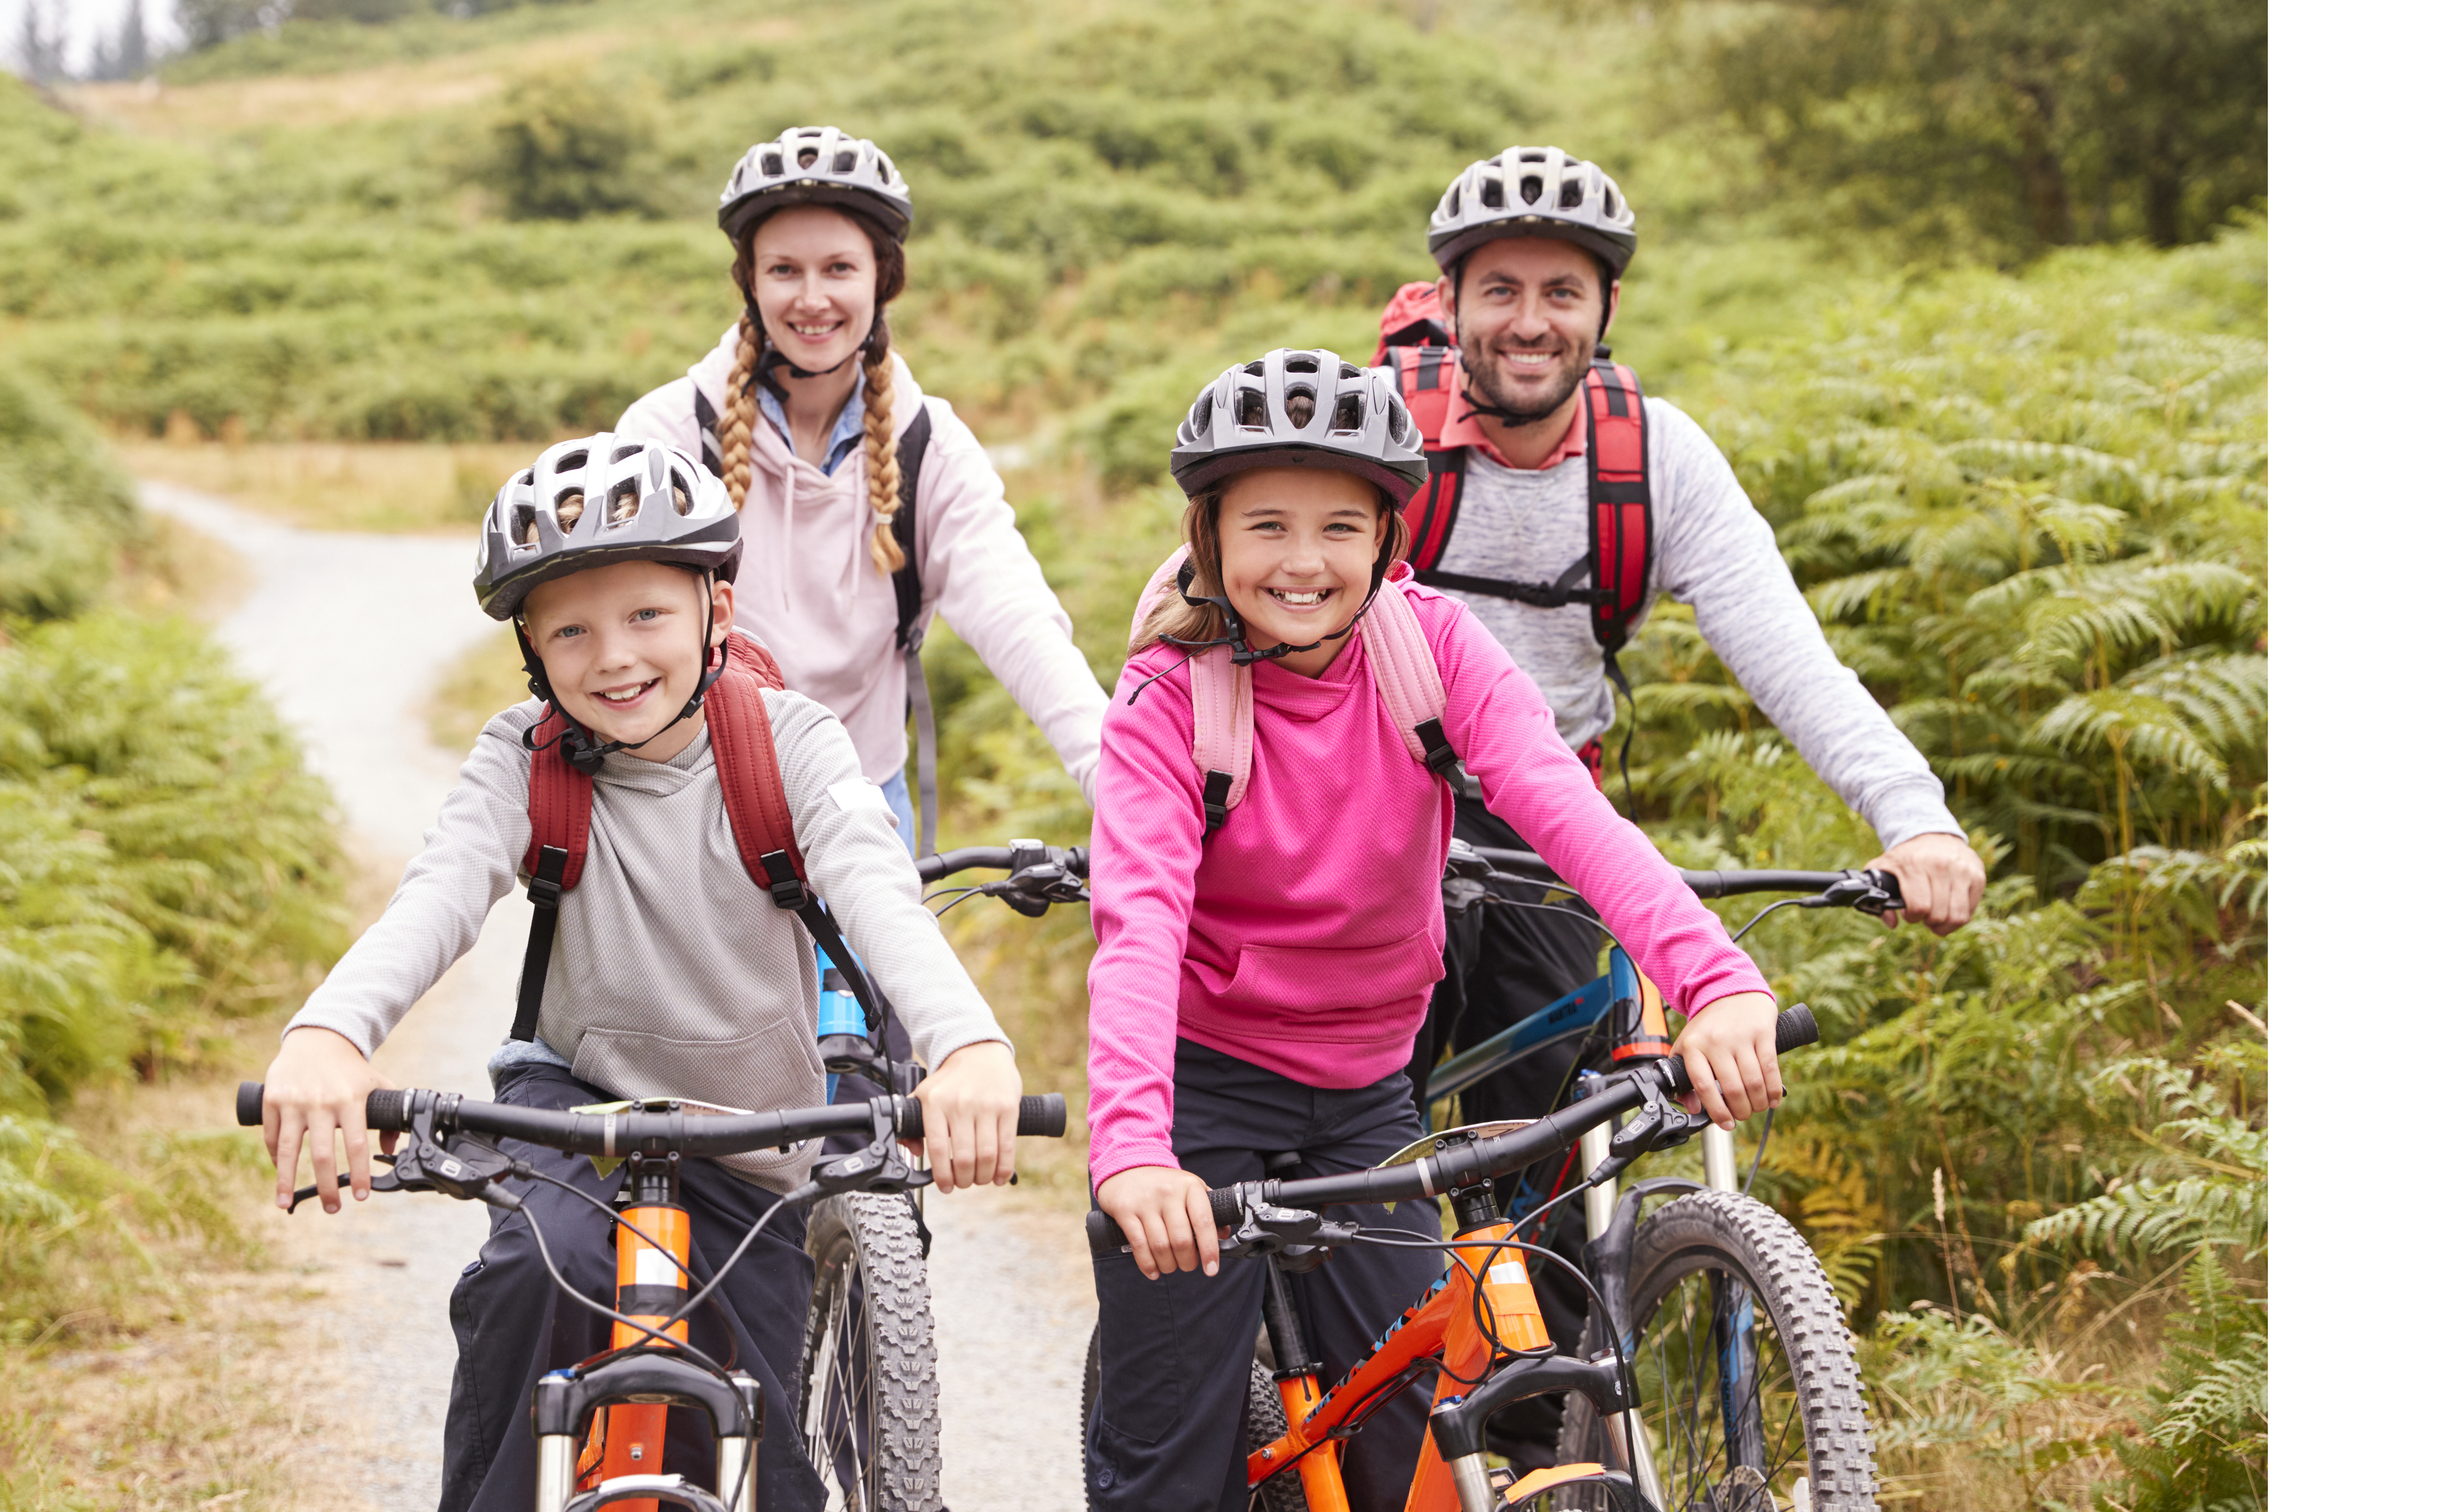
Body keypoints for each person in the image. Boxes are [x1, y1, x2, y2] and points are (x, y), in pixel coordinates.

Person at [252, 435, 1025, 1512]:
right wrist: (329, 1033)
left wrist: (967, 1045)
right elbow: (434, 896)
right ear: (530, 647)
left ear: (716, 608)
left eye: (646, 616)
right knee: (528, 1278)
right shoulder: (523, 757)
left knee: (773, 1465)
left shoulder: (786, 743)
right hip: (573, 1113)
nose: (613, 657)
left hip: (752, 1139)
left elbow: (876, 890)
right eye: (571, 629)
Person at [1083, 350, 1784, 1511]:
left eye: (1336, 529)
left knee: (1418, 1443)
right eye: (1265, 525)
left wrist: (1714, 982)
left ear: (1385, 541)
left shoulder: (1432, 649)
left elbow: (1573, 820)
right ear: (1208, 536)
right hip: (1195, 1088)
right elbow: (1140, 923)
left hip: (1368, 1089)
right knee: (1171, 1463)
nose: (1301, 563)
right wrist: (1132, 1149)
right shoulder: (1172, 695)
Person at [1384, 144, 1991, 1462]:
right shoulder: (1381, 434)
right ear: (1449, 302)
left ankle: (1545, 1463)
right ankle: (1333, 1413)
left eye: (1561, 290)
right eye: (1499, 290)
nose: (1529, 320)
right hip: (1366, 827)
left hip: (1552, 834)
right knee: (1358, 1155)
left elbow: (1791, 659)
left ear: (1604, 310)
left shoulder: (1652, 460)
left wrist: (1913, 814)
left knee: (1549, 1162)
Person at [619, 126, 1108, 854]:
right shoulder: (669, 433)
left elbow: (1017, 616)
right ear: (749, 282)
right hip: (694, 806)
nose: (812, 299)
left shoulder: (928, 447)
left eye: (839, 268)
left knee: (881, 972)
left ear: (883, 279)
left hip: (861, 803)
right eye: (784, 270)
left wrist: (1114, 774)